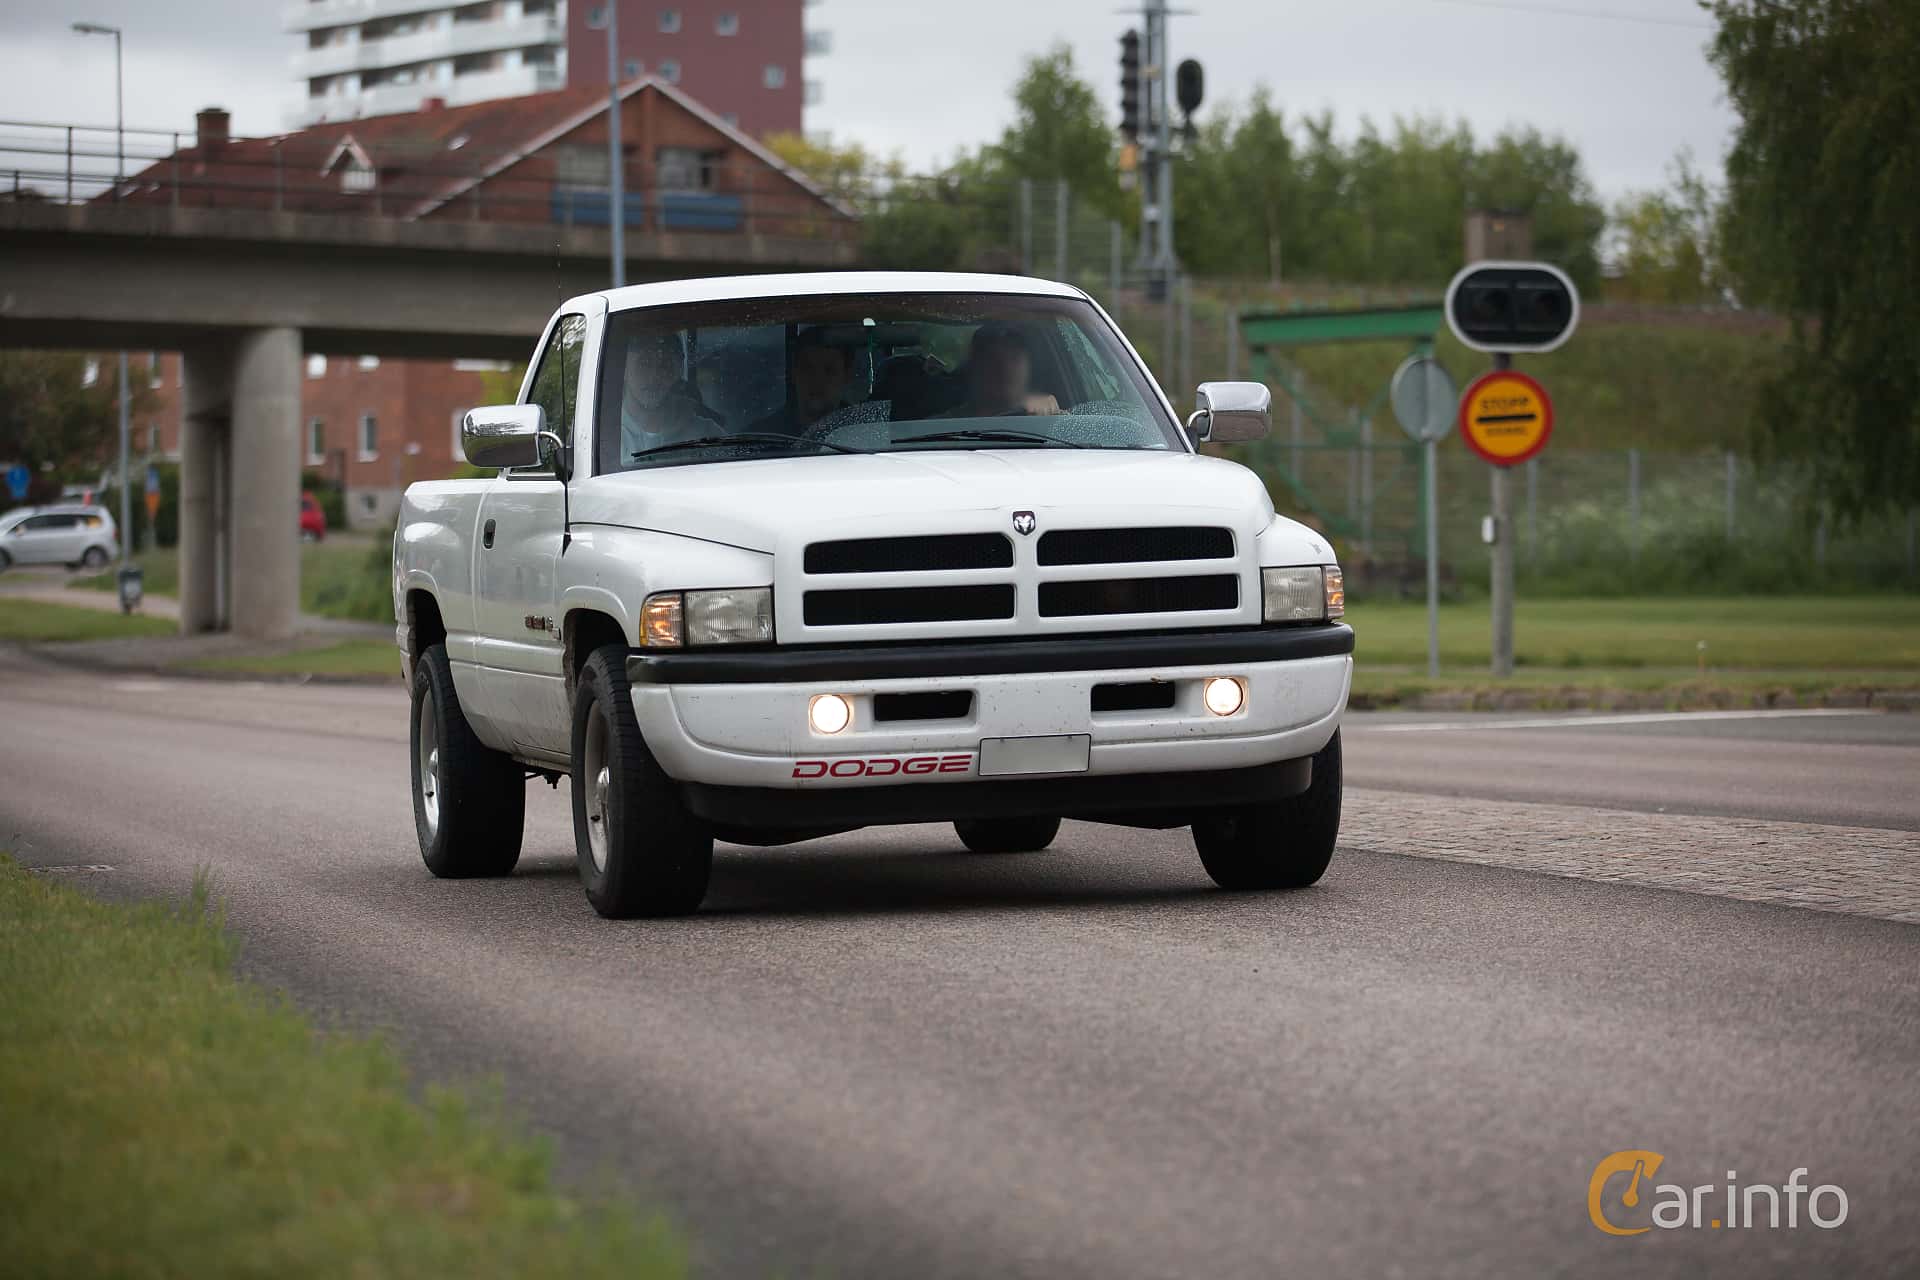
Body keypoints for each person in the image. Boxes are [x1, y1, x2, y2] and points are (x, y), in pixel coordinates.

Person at [619, 332, 723, 458]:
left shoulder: (707, 436)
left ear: (678, 370)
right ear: (623, 368)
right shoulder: (603, 435)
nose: (654, 377)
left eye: (665, 365)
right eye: (644, 364)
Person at [749, 326, 856, 436]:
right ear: (794, 373)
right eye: (808, 369)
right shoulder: (761, 436)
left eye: (829, 371)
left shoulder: (865, 432)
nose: (817, 380)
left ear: (847, 376)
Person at [939, 322, 1061, 418]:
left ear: (1030, 368)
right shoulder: (943, 429)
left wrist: (1048, 414)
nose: (1005, 368)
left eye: (1014, 358)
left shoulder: (1047, 422)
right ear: (975, 367)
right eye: (993, 359)